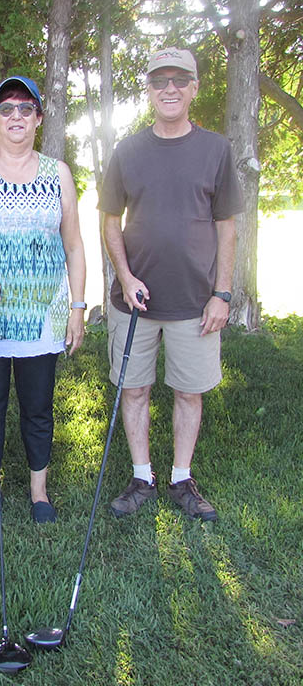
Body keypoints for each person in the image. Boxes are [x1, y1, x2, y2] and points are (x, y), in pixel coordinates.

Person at [99, 46, 243, 522]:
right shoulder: (127, 151)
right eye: (159, 80)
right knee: (134, 390)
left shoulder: (216, 150)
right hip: (134, 302)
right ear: (148, 90)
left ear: (194, 88)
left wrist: (222, 294)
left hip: (195, 302)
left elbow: (227, 227)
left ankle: (182, 477)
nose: (170, 89)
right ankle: (142, 475)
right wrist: (124, 275)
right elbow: (109, 219)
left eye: (180, 80)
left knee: (188, 393)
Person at [0, 75, 87, 525]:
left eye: (26, 108)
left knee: (38, 406)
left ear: (39, 118)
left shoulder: (58, 173)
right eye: (7, 108)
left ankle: (39, 492)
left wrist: (78, 307)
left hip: (43, 316)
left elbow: (75, 246)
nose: (17, 115)